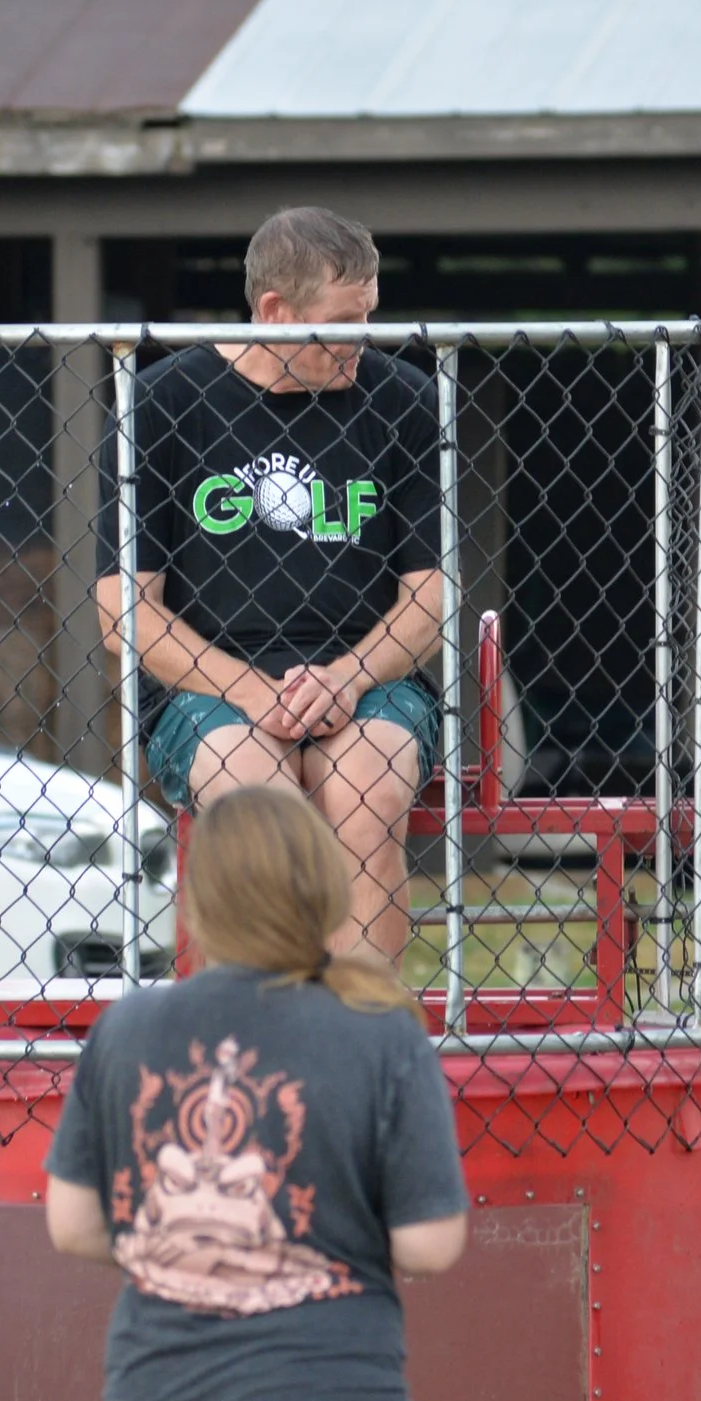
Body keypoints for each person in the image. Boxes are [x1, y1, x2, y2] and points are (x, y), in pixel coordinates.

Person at [44, 784, 470, 1401]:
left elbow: (72, 1224)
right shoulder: (380, 1029)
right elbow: (429, 1244)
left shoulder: (126, 1027)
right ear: (327, 888)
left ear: (197, 902)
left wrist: (189, 1251)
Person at [98, 206, 441, 963]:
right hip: (212, 686)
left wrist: (348, 678)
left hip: (368, 676)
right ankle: (266, 1020)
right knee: (261, 811)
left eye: (370, 316)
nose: (362, 340)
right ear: (276, 312)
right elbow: (124, 612)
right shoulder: (162, 402)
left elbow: (429, 598)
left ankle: (359, 1021)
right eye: (343, 322)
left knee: (367, 796)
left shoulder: (404, 398)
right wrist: (253, 692)